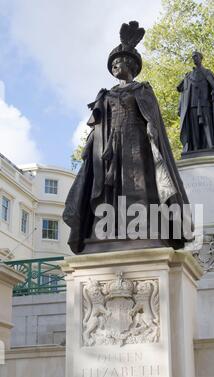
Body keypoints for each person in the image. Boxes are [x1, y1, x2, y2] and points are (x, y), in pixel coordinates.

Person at [63, 21, 192, 254]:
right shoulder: (106, 94)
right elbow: (97, 125)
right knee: (108, 189)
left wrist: (152, 136)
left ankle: (141, 229)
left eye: (118, 62)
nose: (115, 67)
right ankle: (108, 230)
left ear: (130, 64)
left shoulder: (142, 90)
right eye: (112, 64)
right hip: (110, 149)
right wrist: (90, 147)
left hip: (137, 145)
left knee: (137, 185)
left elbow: (152, 120)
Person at [177, 51, 214, 154]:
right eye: (193, 57)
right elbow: (183, 92)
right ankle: (196, 148)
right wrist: (180, 107)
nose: (194, 59)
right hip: (192, 105)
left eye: (196, 57)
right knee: (194, 128)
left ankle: (211, 145)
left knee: (207, 124)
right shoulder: (188, 76)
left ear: (201, 58)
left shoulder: (207, 73)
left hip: (205, 104)